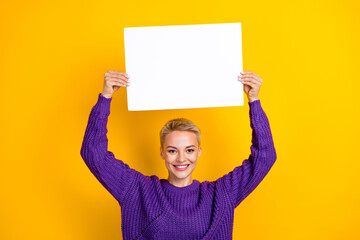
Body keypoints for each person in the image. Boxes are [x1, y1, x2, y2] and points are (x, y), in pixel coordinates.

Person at [80, 70, 277, 239]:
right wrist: (105, 97)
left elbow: (265, 157)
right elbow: (93, 152)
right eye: (172, 151)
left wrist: (254, 101)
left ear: (199, 152)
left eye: (189, 150)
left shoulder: (220, 195)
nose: (182, 158)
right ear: (162, 153)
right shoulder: (137, 190)